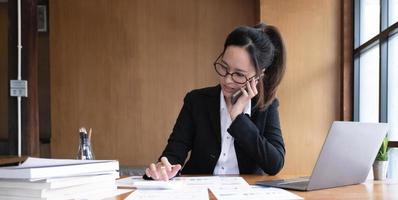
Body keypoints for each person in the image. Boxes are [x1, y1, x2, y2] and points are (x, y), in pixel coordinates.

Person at [144, 23, 286, 181]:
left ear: (259, 75)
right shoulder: (196, 101)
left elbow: (274, 164)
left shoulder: (265, 106)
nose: (227, 79)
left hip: (244, 193)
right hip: (199, 191)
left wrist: (239, 119)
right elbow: (174, 153)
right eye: (224, 67)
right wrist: (163, 167)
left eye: (239, 74)